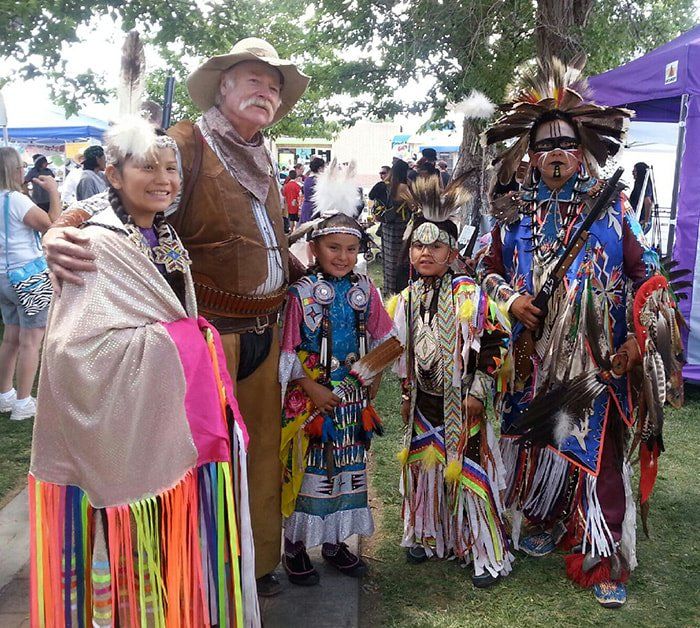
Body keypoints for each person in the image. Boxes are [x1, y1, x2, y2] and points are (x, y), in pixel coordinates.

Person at [41, 37, 310, 598]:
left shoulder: (262, 150)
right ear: (223, 87)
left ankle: (256, 564)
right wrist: (63, 225)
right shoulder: (187, 140)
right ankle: (202, 566)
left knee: (257, 448)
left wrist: (291, 263)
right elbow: (135, 188)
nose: (267, 93)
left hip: (266, 325)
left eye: (275, 87)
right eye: (254, 80)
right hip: (204, 333)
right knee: (201, 453)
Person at [28, 117, 259, 626]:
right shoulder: (98, 242)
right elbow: (71, 350)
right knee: (131, 544)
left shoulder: (163, 231)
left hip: (167, 407)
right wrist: (183, 342)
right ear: (113, 175)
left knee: (171, 545)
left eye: (171, 169)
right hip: (126, 424)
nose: (164, 179)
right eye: (147, 167)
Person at [479, 57, 685, 608]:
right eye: (543, 147)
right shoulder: (513, 213)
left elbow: (650, 275)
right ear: (529, 154)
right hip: (535, 353)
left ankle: (603, 547)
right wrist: (512, 299)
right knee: (543, 438)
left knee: (600, 445)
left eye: (565, 145)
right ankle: (545, 514)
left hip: (600, 357)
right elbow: (485, 270)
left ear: (583, 151)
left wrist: (639, 336)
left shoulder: (615, 208)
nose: (554, 156)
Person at [387, 174, 513, 587]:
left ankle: (485, 555)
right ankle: (427, 534)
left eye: (435, 246)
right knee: (426, 470)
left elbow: (496, 338)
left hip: (462, 403)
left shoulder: (468, 295)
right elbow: (407, 352)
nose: (425, 252)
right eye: (419, 245)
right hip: (425, 402)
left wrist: (479, 389)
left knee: (470, 473)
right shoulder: (408, 297)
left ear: (451, 251)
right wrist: (407, 393)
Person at [279, 162, 395, 585]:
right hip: (310, 402)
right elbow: (287, 350)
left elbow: (389, 339)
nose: (343, 257)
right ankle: (294, 546)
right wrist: (310, 386)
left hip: (351, 401)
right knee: (310, 472)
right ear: (314, 249)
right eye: (334, 248)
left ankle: (333, 543)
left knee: (346, 470)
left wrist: (372, 379)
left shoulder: (367, 290)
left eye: (351, 249)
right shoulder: (300, 294)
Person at [0, 148, 60, 421]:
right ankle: (23, 401)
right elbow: (52, 224)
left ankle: (5, 394)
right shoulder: (16, 200)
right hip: (28, 277)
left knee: (11, 338)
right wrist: (54, 193)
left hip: (3, 278)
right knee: (31, 341)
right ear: (14, 171)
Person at [378, 158, 412, 294]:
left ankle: (388, 288)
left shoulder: (387, 184)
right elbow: (413, 205)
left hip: (387, 226)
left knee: (388, 259)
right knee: (399, 259)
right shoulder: (403, 187)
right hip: (400, 227)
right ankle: (398, 289)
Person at [299, 156, 325, 224]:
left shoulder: (307, 179)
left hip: (306, 208)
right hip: (314, 210)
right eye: (323, 168)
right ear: (319, 168)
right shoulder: (318, 180)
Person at [629, 162, 654, 231]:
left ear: (640, 172)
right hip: (636, 218)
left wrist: (646, 221)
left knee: (634, 239)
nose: (633, 173)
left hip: (641, 220)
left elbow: (648, 203)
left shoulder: (645, 185)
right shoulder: (638, 184)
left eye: (635, 171)